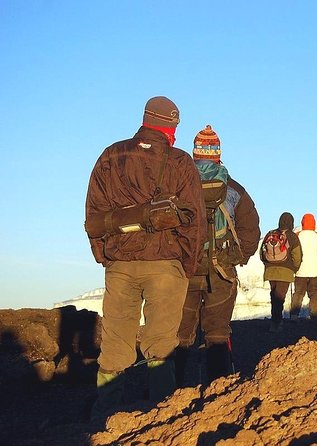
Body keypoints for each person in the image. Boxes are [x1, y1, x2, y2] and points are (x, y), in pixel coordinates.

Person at [85, 96, 207, 419]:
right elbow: (195, 222)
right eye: (174, 128)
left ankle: (103, 417)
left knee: (114, 345)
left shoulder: (111, 156)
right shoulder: (181, 163)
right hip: (166, 268)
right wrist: (186, 266)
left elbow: (93, 214)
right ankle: (161, 418)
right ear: (169, 128)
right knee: (161, 345)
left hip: (120, 266)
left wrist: (107, 258)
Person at [176, 124, 260, 385]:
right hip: (221, 271)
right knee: (217, 334)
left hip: (184, 269)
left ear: (195, 154)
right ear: (218, 155)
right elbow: (251, 231)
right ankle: (217, 390)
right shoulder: (234, 189)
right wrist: (236, 257)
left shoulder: (177, 185)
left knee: (179, 335)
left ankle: (172, 391)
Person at [260, 212, 302, 332]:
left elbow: (261, 253)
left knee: (274, 296)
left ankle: (275, 321)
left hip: (270, 271)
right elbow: (297, 255)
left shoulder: (271, 234)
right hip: (286, 271)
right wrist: (294, 268)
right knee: (280, 297)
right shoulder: (292, 236)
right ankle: (276, 323)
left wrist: (268, 264)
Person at [290, 213, 317, 319]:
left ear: (302, 222)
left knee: (298, 293)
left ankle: (294, 315)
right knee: (314, 294)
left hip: (300, 270)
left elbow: (292, 251)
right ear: (314, 223)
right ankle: (315, 316)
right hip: (314, 271)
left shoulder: (297, 235)